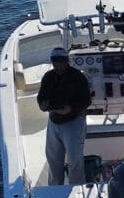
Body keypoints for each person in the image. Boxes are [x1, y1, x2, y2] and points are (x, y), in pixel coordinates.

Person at [36, 47, 92, 185]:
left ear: (67, 61)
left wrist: (70, 109)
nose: (58, 65)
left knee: (74, 160)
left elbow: (86, 101)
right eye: (55, 62)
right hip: (53, 122)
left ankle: (77, 189)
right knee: (53, 159)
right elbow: (41, 96)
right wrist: (42, 104)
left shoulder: (78, 77)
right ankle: (55, 189)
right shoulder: (48, 77)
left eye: (61, 62)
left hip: (73, 122)